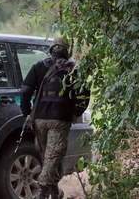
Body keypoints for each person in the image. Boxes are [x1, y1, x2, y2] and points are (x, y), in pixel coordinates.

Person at [20, 38, 90, 199]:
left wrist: (27, 113)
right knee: (52, 156)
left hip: (39, 119)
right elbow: (84, 93)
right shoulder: (72, 69)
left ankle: (53, 191)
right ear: (67, 51)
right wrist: (76, 113)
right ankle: (43, 190)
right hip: (60, 119)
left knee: (49, 156)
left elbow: (25, 92)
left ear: (51, 49)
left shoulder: (38, 66)